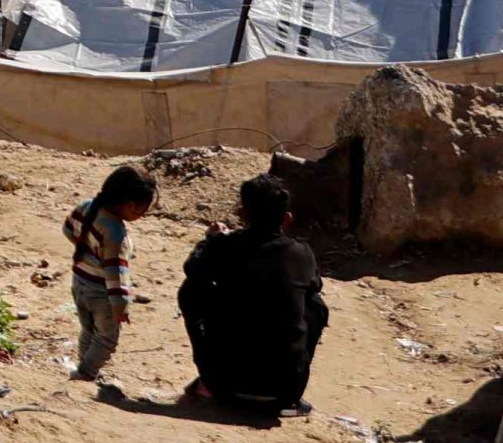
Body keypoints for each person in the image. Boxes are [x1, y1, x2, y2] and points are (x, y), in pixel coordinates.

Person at [177, 174, 329, 415]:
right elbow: (313, 286)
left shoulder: (225, 246)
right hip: (285, 391)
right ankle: (293, 378)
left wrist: (210, 241)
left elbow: (193, 270)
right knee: (315, 305)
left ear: (242, 213)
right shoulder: (301, 254)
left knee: (191, 291)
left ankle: (207, 379)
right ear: (287, 219)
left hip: (224, 384)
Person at [63, 164, 156, 382]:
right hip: (101, 291)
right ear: (130, 206)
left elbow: (68, 229)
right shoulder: (116, 234)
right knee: (106, 338)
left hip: (79, 281)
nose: (141, 216)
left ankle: (83, 366)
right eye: (141, 211)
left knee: (88, 329)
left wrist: (88, 250)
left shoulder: (86, 206)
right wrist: (121, 306)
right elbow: (116, 275)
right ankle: (86, 373)